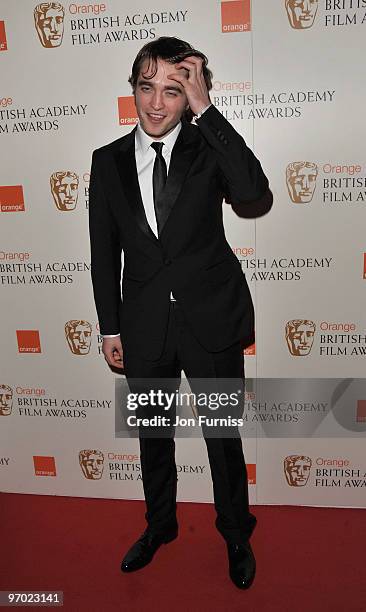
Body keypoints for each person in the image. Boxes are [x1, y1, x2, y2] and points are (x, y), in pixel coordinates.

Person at [88, 36, 273, 590]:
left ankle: (236, 532)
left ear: (190, 95)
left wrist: (206, 110)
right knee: (152, 438)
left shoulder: (206, 147)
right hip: (144, 327)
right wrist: (109, 325)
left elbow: (252, 192)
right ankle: (160, 526)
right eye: (148, 87)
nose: (157, 103)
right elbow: (104, 252)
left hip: (209, 319)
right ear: (134, 89)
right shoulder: (108, 162)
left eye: (174, 90)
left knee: (222, 437)